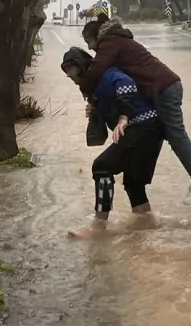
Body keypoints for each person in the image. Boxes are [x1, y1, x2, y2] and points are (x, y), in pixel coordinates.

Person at [79, 14, 191, 205]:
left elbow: (96, 69)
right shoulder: (117, 39)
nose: (89, 47)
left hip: (164, 88)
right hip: (164, 87)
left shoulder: (110, 42)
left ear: (97, 36)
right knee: (167, 133)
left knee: (176, 134)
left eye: (88, 41)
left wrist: (85, 88)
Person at [61, 46, 165, 238]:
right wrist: (95, 112)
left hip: (144, 125)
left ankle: (98, 226)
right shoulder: (95, 87)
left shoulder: (108, 75)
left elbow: (127, 85)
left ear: (83, 66)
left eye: (71, 69)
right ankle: (147, 224)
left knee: (102, 166)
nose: (69, 75)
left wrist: (123, 117)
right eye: (66, 71)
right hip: (149, 128)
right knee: (133, 182)